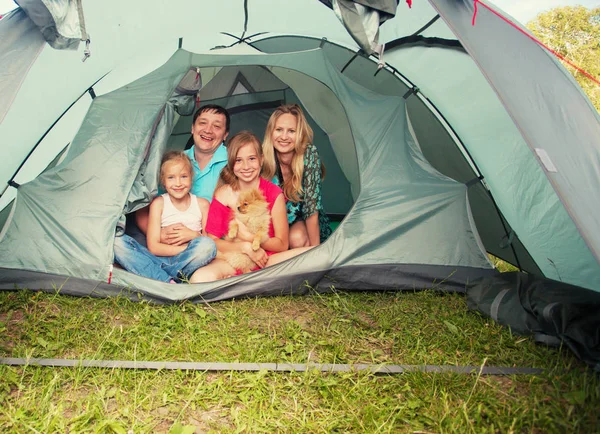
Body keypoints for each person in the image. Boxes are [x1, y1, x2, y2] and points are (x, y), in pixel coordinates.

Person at [189, 131, 312, 283]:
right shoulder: (224, 194)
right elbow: (213, 241)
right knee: (199, 278)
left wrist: (251, 239)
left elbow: (282, 244)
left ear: (261, 160)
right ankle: (251, 281)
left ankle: (244, 281)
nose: (246, 166)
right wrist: (245, 247)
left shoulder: (274, 193)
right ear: (231, 163)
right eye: (239, 160)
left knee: (315, 255)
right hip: (235, 259)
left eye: (252, 159)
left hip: (267, 260)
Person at [113, 151, 216, 282]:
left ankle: (158, 276)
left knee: (208, 245)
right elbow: (154, 247)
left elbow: (209, 242)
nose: (178, 183)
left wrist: (194, 236)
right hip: (159, 258)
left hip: (187, 260)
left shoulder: (202, 204)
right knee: (117, 242)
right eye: (171, 177)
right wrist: (185, 249)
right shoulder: (159, 203)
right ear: (163, 181)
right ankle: (169, 280)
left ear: (191, 177)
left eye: (183, 176)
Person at [135, 104, 230, 245]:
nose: (208, 130)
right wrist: (158, 235)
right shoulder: (173, 162)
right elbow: (142, 204)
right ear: (192, 128)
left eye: (217, 126)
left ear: (225, 135)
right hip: (166, 240)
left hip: (214, 242)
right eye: (203, 123)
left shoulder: (236, 162)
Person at [262, 104, 332, 248]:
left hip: (302, 220)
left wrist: (316, 250)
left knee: (297, 238)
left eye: (291, 131)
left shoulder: (309, 155)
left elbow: (311, 210)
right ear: (271, 132)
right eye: (279, 130)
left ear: (299, 133)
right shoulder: (263, 158)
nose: (284, 137)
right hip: (274, 224)